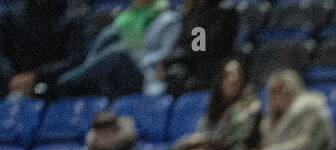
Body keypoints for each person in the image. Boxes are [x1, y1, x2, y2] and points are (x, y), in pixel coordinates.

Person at [156, 58, 262, 150]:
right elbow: (203, 130)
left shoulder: (249, 106)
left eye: (237, 76)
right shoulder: (214, 105)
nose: (232, 80)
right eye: (228, 75)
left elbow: (236, 139)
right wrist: (195, 145)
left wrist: (202, 146)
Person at [50, 0, 181, 99]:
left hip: (146, 71)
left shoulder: (168, 18)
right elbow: (122, 42)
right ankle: (84, 73)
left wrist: (137, 56)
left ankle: (68, 81)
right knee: (108, 35)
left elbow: (165, 53)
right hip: (122, 68)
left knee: (118, 51)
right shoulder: (129, 17)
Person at [232, 71, 335, 150]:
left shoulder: (309, 108)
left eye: (285, 90)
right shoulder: (268, 120)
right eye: (275, 91)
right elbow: (264, 145)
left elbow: (305, 146)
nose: (280, 95)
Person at [0, 0, 86, 97]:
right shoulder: (10, 16)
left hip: (53, 88)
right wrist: (12, 77)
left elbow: (75, 60)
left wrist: (36, 76)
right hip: (11, 84)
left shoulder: (73, 16)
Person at [161, 0, 238, 94]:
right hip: (190, 66)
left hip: (205, 72)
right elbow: (182, 44)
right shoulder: (192, 14)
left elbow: (198, 49)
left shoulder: (222, 14)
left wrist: (168, 61)